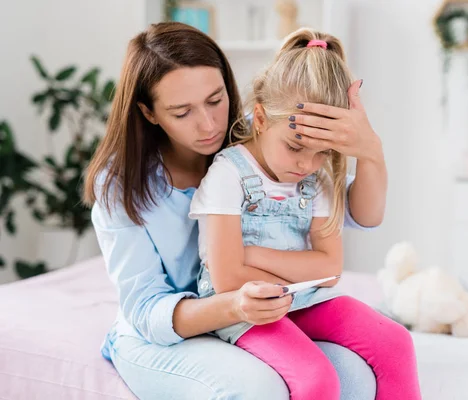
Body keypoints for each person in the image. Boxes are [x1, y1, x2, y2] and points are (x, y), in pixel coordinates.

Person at [84, 22, 390, 399]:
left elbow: (355, 213)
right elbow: (148, 313)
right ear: (149, 112)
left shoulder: (256, 138)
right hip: (167, 333)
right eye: (182, 112)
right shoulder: (121, 185)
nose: (210, 124)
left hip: (254, 314)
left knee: (356, 379)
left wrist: (370, 152)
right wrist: (233, 305)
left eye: (216, 100)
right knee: (259, 387)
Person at [188, 28, 421, 400]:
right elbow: (229, 279)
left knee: (394, 341)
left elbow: (329, 271)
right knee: (317, 376)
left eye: (323, 153)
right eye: (296, 145)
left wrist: (251, 254)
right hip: (243, 308)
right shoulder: (229, 175)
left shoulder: (316, 180)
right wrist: (300, 266)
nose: (307, 164)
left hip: (304, 298)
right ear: (261, 119)